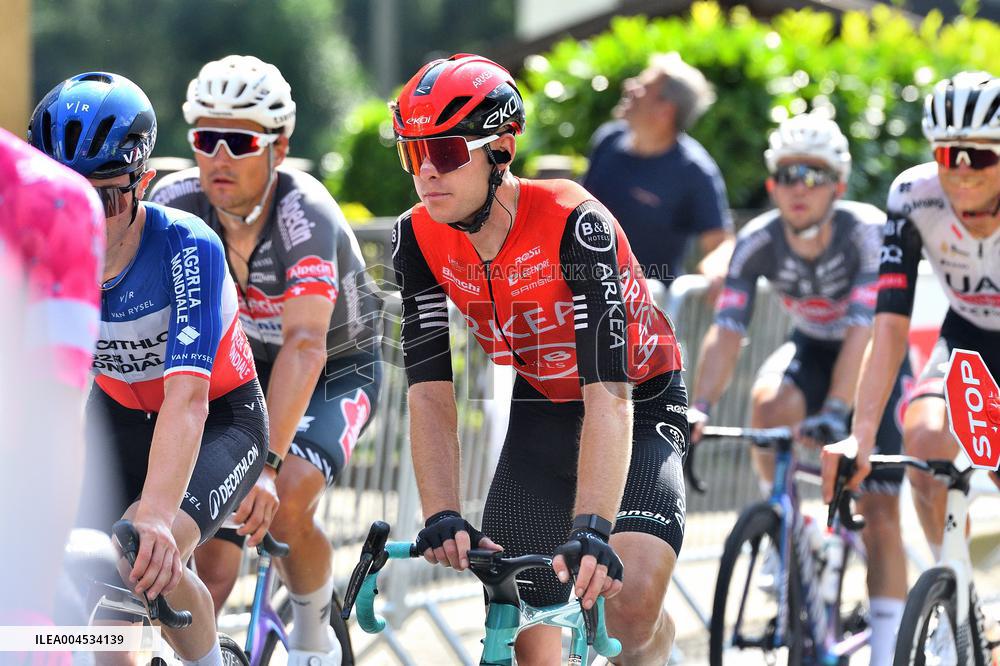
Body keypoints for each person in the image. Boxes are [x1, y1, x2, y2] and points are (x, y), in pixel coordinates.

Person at [391, 53, 689, 665]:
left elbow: (609, 396)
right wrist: (442, 510)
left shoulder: (574, 223)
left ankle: (664, 647)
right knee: (522, 620)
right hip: (544, 404)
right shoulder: (416, 237)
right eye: (412, 153)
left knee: (627, 613)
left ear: (501, 148)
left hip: (639, 397)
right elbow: (429, 390)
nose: (427, 172)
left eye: (444, 151)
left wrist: (593, 527)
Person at [151, 55, 383, 665]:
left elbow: (306, 345)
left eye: (240, 141)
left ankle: (314, 635)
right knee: (212, 558)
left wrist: (268, 466)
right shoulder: (175, 202)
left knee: (286, 503)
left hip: (336, 365)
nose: (219, 157)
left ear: (279, 146)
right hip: (247, 369)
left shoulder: (305, 214)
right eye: (206, 138)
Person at [30, 71, 268, 666]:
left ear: (144, 183)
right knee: (98, 613)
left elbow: (187, 398)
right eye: (65, 195)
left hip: (219, 419)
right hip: (118, 414)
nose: (84, 218)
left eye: (105, 198)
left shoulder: (187, 247)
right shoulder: (38, 252)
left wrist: (159, 516)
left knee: (143, 552)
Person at [689, 111, 911, 665]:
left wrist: (837, 410)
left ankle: (886, 650)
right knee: (768, 406)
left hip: (873, 357)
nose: (799, 187)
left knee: (880, 512)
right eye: (788, 175)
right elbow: (726, 330)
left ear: (839, 185)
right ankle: (787, 524)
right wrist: (698, 407)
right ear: (772, 185)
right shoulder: (758, 240)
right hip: (811, 347)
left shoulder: (866, 232)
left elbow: (864, 332)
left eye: (814, 176)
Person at [822, 71, 1000, 570]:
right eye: (948, 155)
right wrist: (861, 435)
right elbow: (890, 326)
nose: (962, 173)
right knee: (924, 446)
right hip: (967, 336)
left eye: (980, 157)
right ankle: (954, 588)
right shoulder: (912, 196)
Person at [0, 127, 104, 645]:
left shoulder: (50, 200)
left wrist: (31, 604)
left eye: (113, 192)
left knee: (121, 618)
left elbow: (55, 417)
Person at [583, 52, 734, 286]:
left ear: (666, 110)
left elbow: (720, 243)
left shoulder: (694, 170)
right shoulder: (607, 140)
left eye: (643, 86)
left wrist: (717, 268)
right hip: (588, 292)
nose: (629, 86)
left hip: (651, 304)